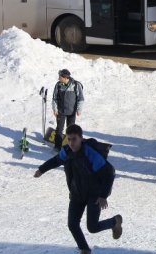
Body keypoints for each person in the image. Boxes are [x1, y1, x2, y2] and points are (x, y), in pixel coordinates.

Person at [34, 124, 122, 254]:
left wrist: (103, 195)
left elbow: (109, 173)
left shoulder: (89, 153)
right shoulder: (67, 152)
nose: (71, 143)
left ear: (81, 138)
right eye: (68, 139)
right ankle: (84, 249)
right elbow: (55, 160)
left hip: (94, 194)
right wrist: (41, 169)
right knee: (72, 224)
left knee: (92, 227)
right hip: (77, 193)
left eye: (74, 139)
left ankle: (115, 222)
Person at [52, 69, 85, 151]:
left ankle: (71, 147)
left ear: (65, 77)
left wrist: (79, 109)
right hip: (61, 111)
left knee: (71, 131)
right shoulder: (58, 85)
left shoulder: (76, 85)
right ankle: (57, 147)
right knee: (59, 129)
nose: (58, 78)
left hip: (71, 112)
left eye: (60, 76)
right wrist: (55, 109)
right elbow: (54, 98)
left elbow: (81, 98)